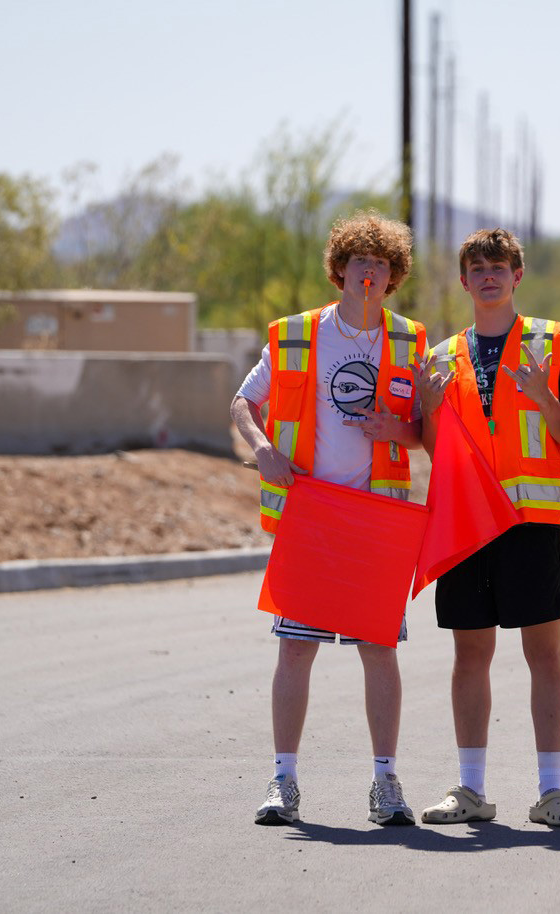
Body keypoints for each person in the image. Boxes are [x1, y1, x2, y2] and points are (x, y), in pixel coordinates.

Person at [231, 210, 425, 827]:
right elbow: (243, 401)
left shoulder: (409, 340)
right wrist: (262, 450)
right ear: (339, 270)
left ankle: (386, 784)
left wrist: (402, 428)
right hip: (309, 513)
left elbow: (429, 430)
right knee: (294, 652)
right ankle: (283, 781)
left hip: (378, 518)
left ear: (392, 277)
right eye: (359, 261)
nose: (370, 271)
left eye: (382, 264)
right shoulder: (296, 334)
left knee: (378, 651)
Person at [415, 228, 560, 828]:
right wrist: (428, 413)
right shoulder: (438, 357)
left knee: (545, 653)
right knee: (471, 653)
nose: (488, 276)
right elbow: (436, 449)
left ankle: (552, 792)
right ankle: (470, 790)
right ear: (463, 281)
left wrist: (544, 396)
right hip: (467, 523)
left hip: (535, 522)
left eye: (499, 266)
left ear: (518, 275)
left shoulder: (554, 341)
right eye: (477, 268)